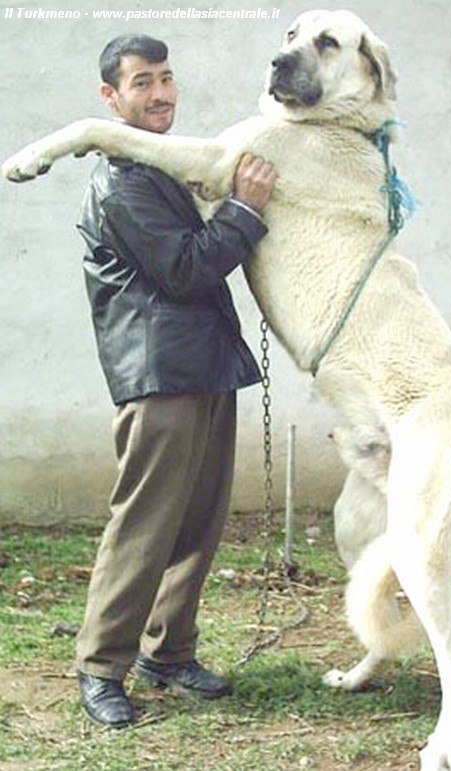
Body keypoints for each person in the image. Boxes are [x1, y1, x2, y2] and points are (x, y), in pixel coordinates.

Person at [75, 34, 277, 727]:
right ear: (112, 98)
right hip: (159, 375)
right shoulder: (121, 179)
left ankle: (168, 651)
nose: (160, 94)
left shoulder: (156, 167)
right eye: (141, 83)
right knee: (145, 526)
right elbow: (186, 268)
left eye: (165, 78)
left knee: (198, 521)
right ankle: (102, 665)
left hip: (203, 365)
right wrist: (245, 211)